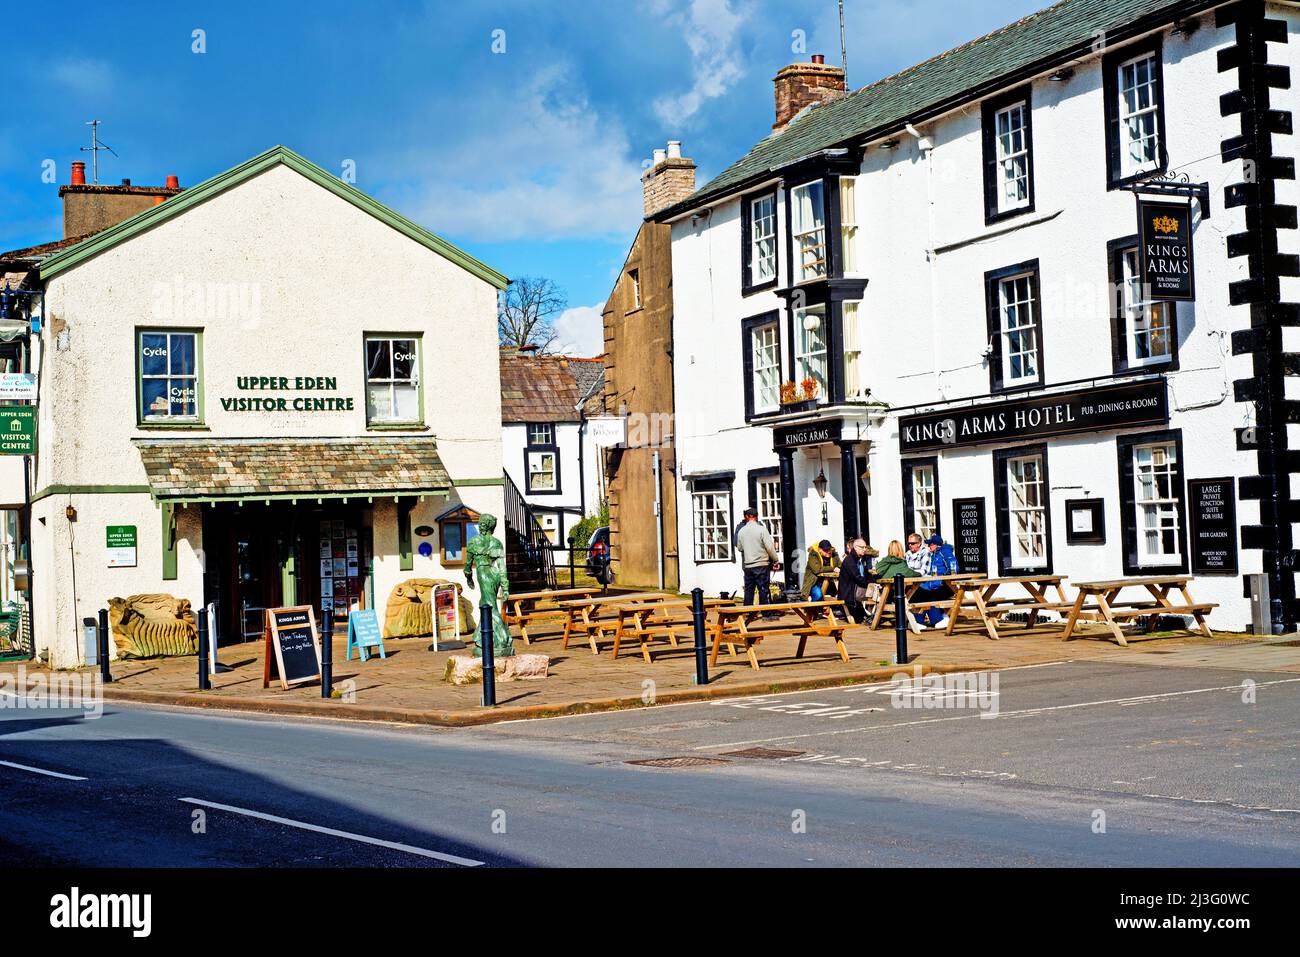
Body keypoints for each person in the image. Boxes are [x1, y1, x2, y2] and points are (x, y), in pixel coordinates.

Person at [873, 540, 925, 634]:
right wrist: (919, 574)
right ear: (900, 550)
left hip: (884, 594)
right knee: (916, 594)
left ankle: (906, 621)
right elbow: (911, 573)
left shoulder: (883, 562)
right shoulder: (900, 563)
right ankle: (913, 622)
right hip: (895, 595)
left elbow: (878, 571)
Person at [735, 506, 779, 607]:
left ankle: (748, 613)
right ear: (756, 517)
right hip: (761, 564)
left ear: (746, 516)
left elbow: (740, 548)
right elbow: (769, 547)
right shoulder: (762, 530)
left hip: (748, 566)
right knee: (763, 590)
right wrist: (775, 560)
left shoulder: (741, 531)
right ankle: (766, 614)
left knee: (749, 591)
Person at [916, 533, 960, 630]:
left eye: (930, 544)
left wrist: (943, 578)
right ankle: (919, 621)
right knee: (920, 593)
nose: (928, 546)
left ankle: (937, 620)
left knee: (929, 595)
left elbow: (954, 567)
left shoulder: (945, 552)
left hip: (945, 585)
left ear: (935, 545)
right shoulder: (933, 554)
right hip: (934, 584)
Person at [838, 538, 879, 624]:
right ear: (855, 547)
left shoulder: (860, 559)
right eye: (862, 547)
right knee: (879, 592)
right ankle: (877, 616)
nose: (864, 550)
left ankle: (875, 615)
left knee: (878, 590)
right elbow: (858, 578)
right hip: (850, 592)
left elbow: (866, 575)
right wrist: (873, 583)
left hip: (856, 589)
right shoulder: (850, 560)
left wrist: (874, 580)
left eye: (865, 547)